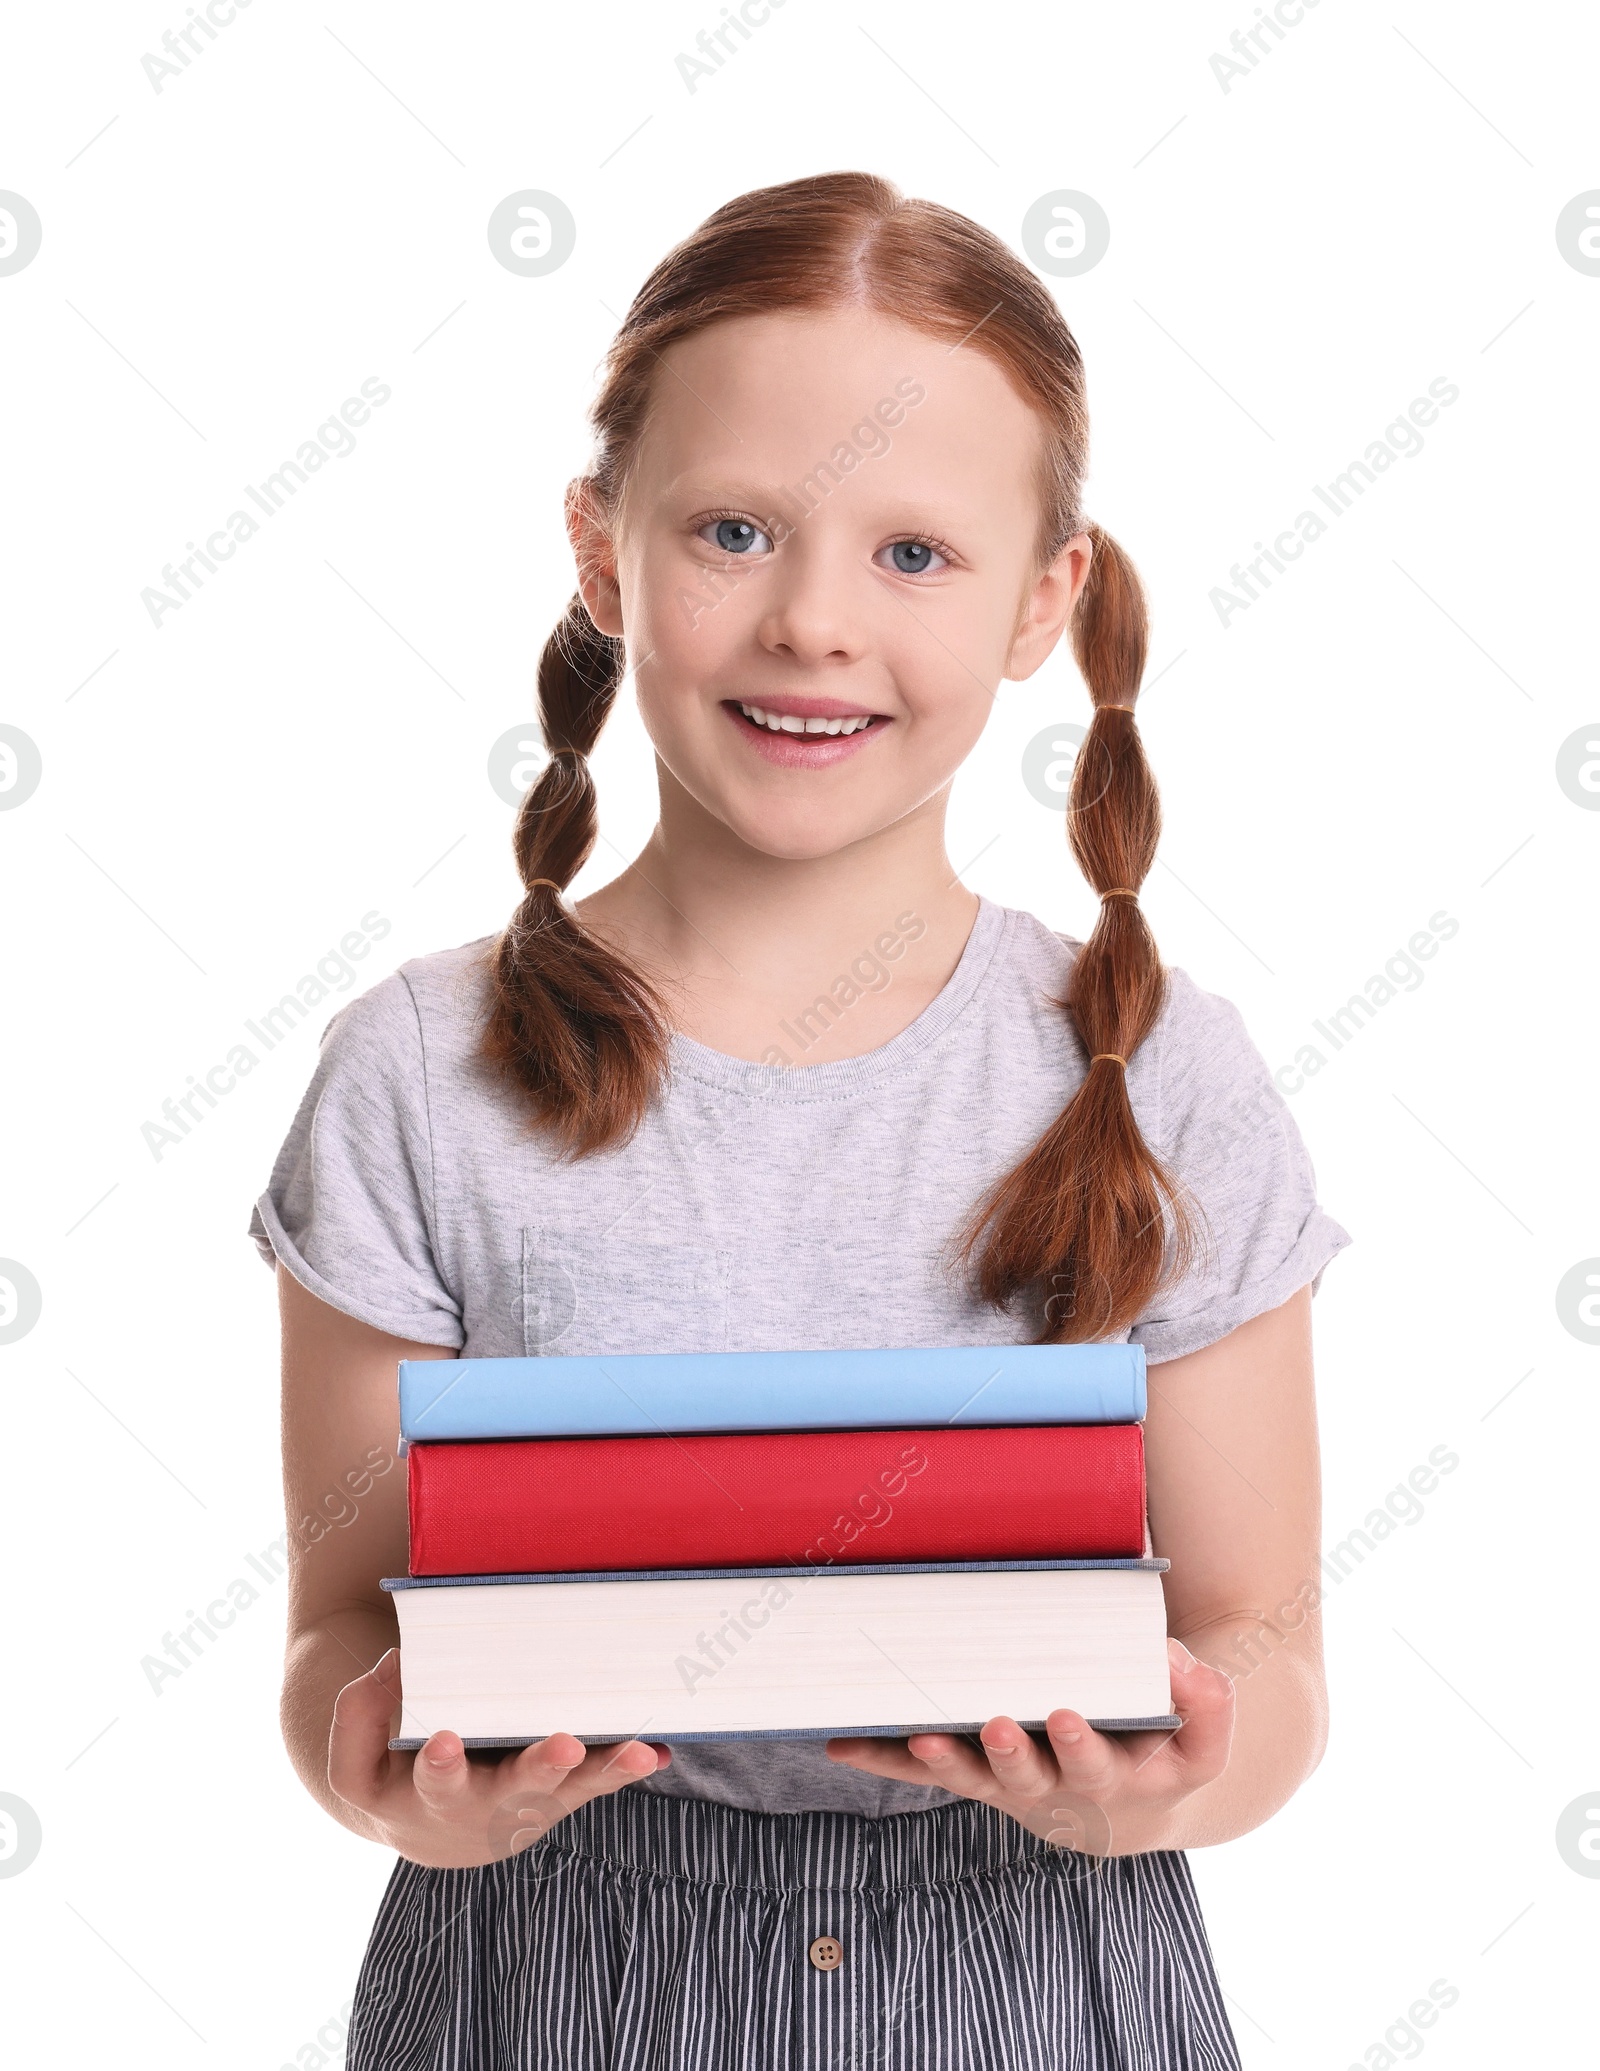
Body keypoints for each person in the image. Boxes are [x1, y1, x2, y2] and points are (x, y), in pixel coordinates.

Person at [251, 171, 1352, 2069]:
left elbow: (1268, 1646)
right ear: (603, 558)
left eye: (915, 553)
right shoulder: (419, 1072)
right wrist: (384, 1782)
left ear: (1044, 600)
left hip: (1045, 1967)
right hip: (546, 1976)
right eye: (735, 532)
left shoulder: (1162, 1071)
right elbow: (341, 1639)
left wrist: (1165, 1785)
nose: (815, 622)